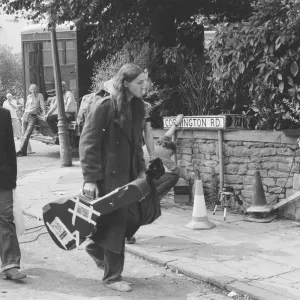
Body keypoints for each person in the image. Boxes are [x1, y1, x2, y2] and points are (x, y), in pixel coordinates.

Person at [80, 63, 147, 293]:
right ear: (126, 83)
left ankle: (97, 250)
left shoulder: (137, 107)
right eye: (140, 82)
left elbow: (137, 143)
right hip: (107, 176)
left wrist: (140, 170)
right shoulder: (104, 105)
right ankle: (112, 277)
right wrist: (90, 178)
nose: (143, 87)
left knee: (134, 218)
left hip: (128, 175)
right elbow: (88, 142)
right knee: (116, 224)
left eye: (144, 82)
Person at [0, 107, 26, 280]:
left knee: (6, 217)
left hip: (2, 176)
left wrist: (12, 179)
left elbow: (10, 147)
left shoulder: (3, 114)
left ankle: (10, 264)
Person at [143, 114, 189, 200]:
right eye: (171, 154)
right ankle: (151, 198)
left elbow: (167, 135)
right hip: (142, 180)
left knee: (158, 172)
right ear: (169, 150)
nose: (170, 156)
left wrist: (176, 123)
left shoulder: (158, 143)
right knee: (173, 177)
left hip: (135, 177)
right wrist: (188, 177)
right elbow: (176, 170)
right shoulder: (164, 154)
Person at [16, 84, 46, 157]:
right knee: (23, 134)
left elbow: (42, 105)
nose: (33, 90)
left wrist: (45, 114)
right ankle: (23, 152)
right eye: (32, 89)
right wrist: (23, 115)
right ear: (30, 90)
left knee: (27, 134)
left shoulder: (40, 95)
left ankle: (20, 150)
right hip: (25, 115)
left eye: (34, 89)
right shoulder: (28, 96)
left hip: (32, 116)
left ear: (37, 89)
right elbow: (26, 106)